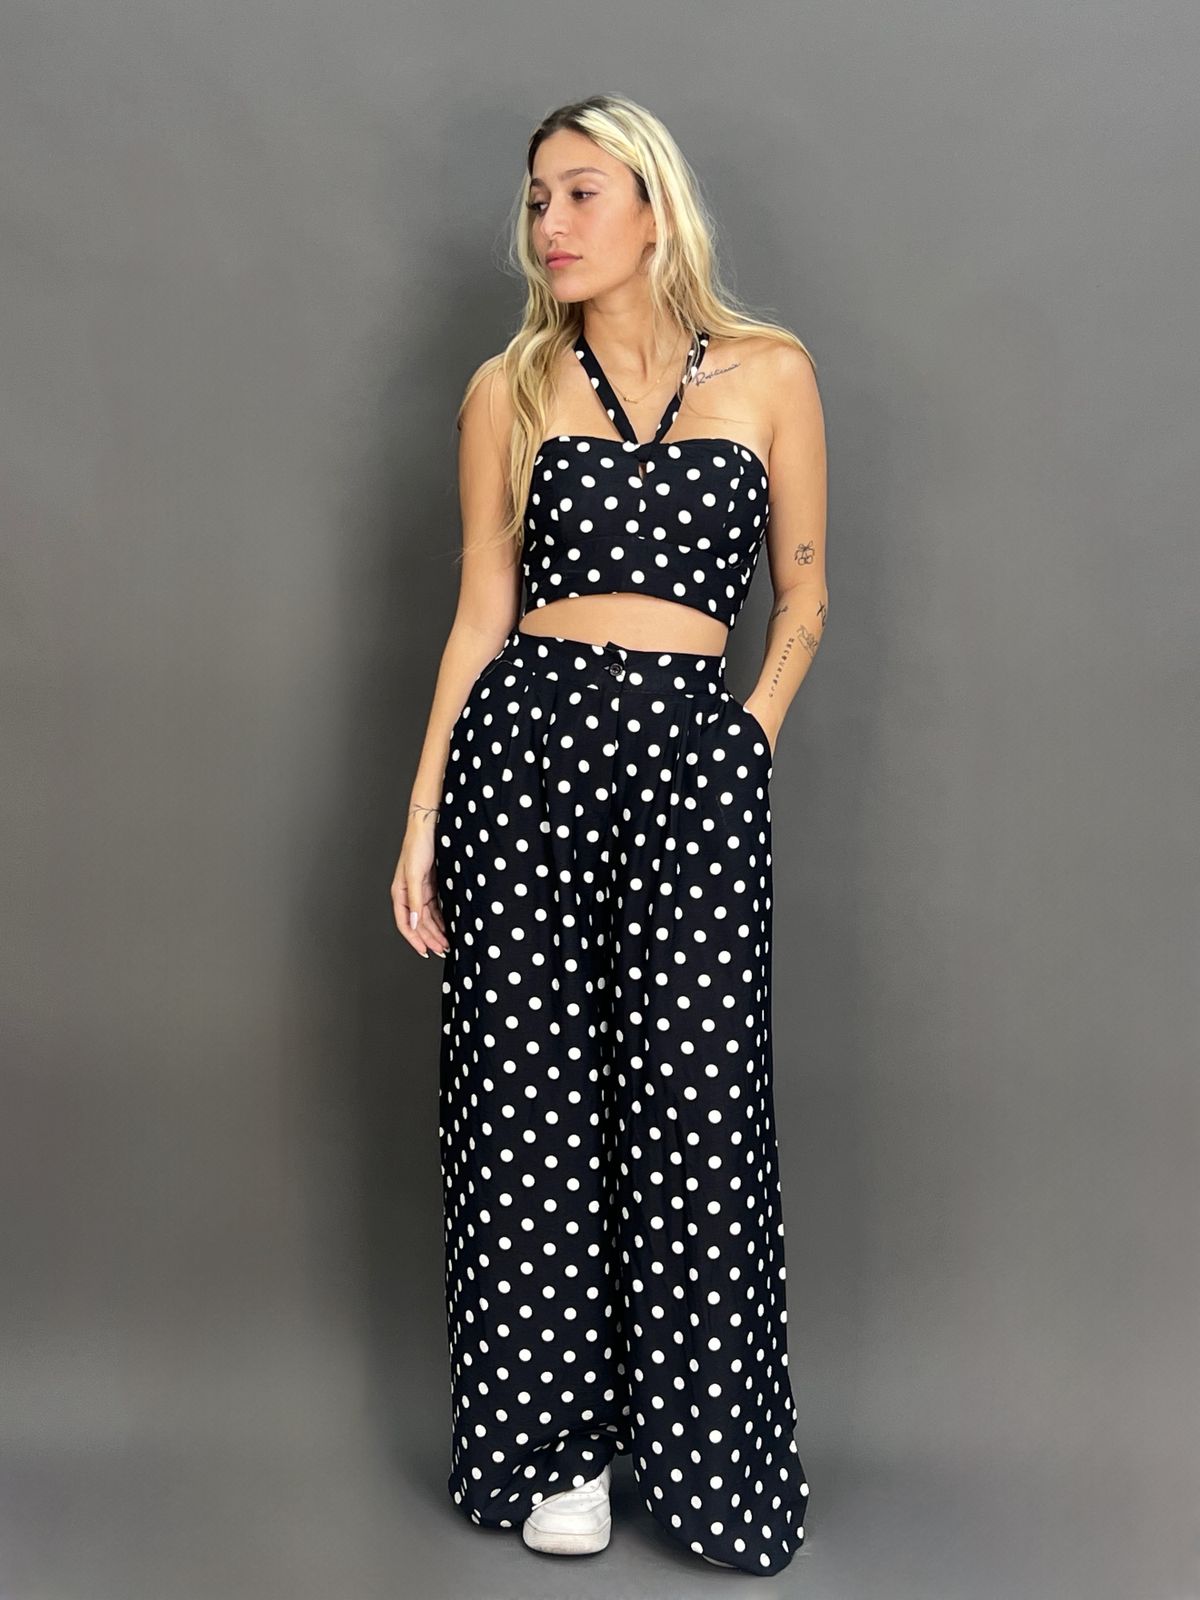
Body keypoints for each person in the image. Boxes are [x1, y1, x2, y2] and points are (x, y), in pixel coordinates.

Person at [391, 92, 828, 1577]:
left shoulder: (771, 374)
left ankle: (709, 1466)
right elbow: (478, 617)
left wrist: (746, 738)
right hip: (525, 761)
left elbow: (805, 594)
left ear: (655, 207)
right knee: (530, 1110)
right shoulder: (507, 390)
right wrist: (422, 817)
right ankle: (556, 1452)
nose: (552, 223)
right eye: (537, 199)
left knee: (696, 1115)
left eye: (582, 192)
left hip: (693, 764)